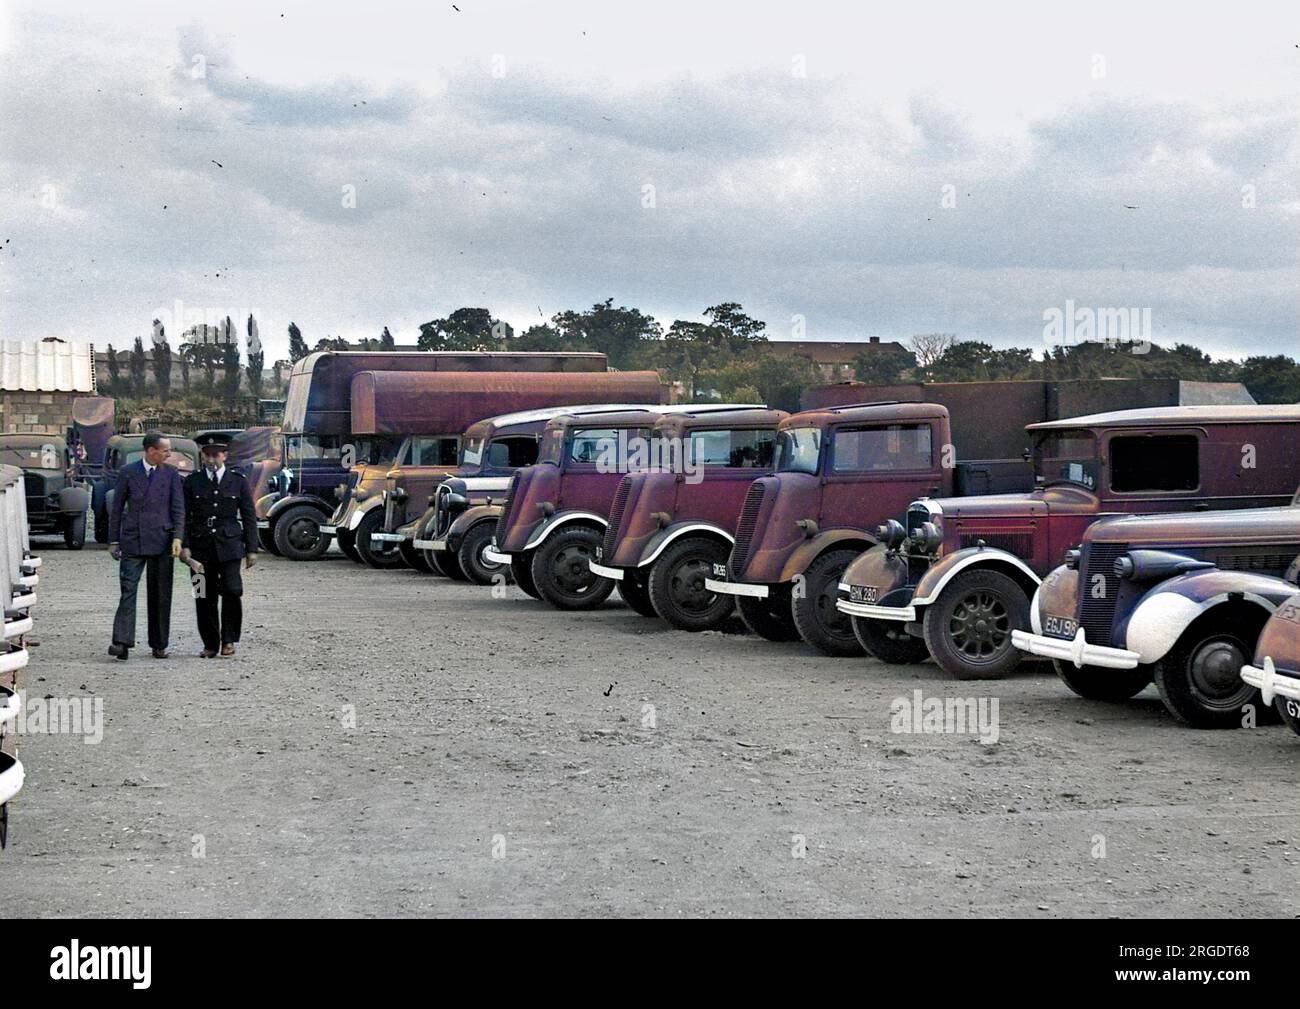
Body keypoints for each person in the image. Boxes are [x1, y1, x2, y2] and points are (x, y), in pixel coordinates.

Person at [108, 431, 185, 660]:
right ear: (151, 451)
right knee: (128, 591)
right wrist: (114, 540)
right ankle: (122, 643)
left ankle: (159, 644)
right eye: (166, 450)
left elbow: (178, 509)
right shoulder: (128, 473)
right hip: (134, 541)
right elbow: (117, 509)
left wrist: (178, 538)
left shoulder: (171, 474)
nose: (170, 454)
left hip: (163, 542)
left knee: (161, 594)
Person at [182, 441, 258, 657]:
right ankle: (210, 643)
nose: (211, 460)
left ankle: (229, 639)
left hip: (230, 547)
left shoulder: (238, 481)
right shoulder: (192, 482)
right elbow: (184, 517)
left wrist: (252, 548)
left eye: (216, 455)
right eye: (207, 455)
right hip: (200, 549)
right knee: (202, 594)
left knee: (232, 591)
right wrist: (185, 545)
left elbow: (248, 515)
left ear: (225, 455)